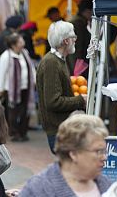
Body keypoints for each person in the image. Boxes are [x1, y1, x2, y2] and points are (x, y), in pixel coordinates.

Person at [36, 20, 86, 152]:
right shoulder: (51, 63)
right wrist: (80, 100)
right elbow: (53, 101)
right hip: (58, 129)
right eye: (73, 37)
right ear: (65, 41)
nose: (75, 39)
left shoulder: (58, 60)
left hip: (62, 127)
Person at [0, 33, 36, 142]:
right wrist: (1, 89)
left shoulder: (25, 53)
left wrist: (34, 80)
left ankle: (23, 132)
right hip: (11, 89)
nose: (22, 43)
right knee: (13, 111)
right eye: (20, 41)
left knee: (25, 110)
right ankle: (14, 133)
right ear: (13, 45)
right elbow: (2, 73)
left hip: (25, 87)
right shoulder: (6, 56)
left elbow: (31, 68)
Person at [67, 0, 93, 78]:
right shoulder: (78, 24)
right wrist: (77, 69)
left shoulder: (78, 22)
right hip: (77, 64)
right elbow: (77, 48)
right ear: (87, 11)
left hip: (76, 62)